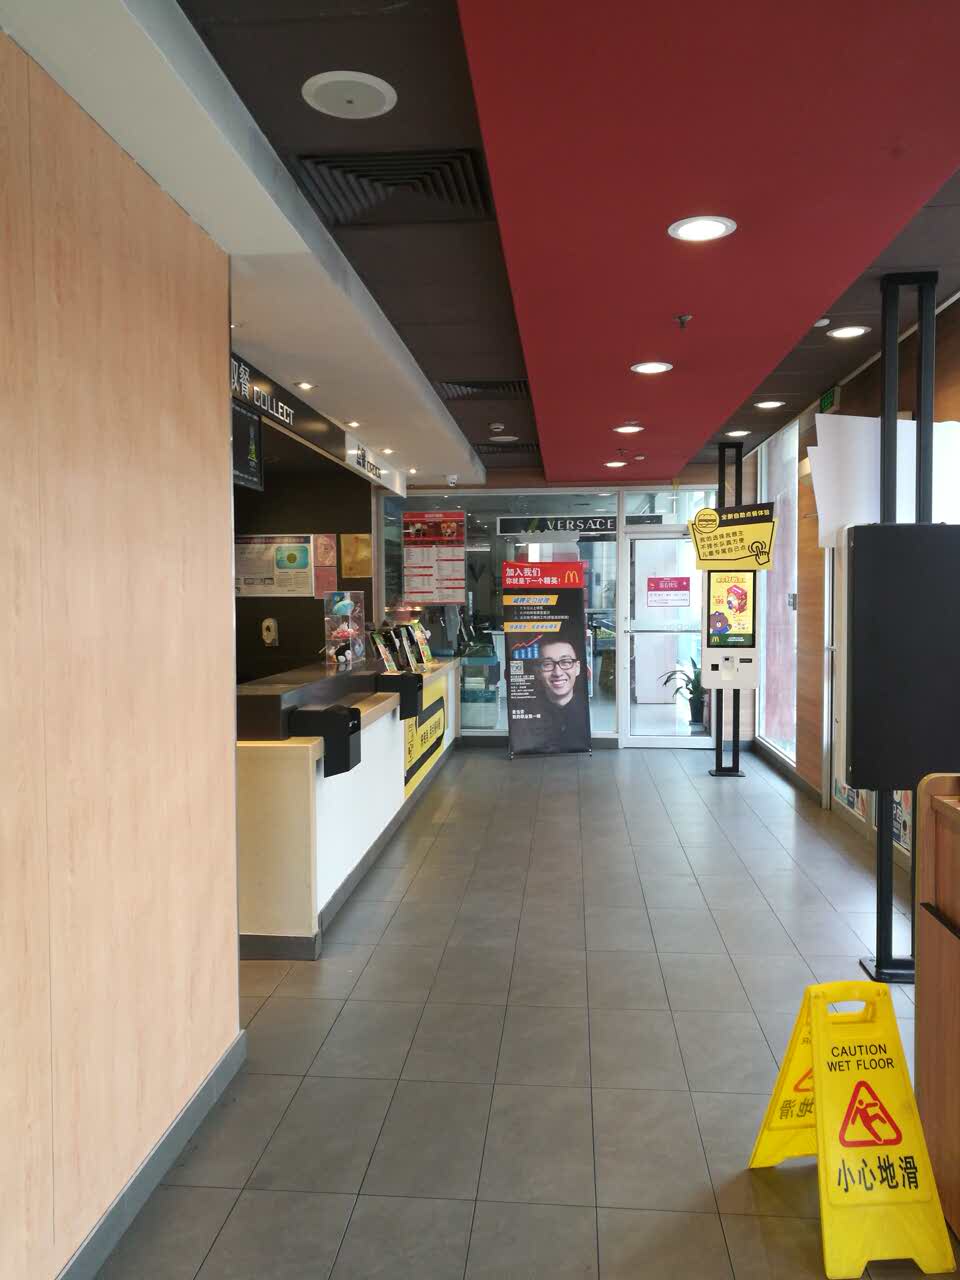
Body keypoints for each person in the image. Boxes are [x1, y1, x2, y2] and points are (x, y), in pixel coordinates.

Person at [508, 627, 591, 754]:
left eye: (566, 662)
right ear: (538, 672)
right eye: (547, 664)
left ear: (578, 668)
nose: (557, 673)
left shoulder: (584, 712)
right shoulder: (526, 716)